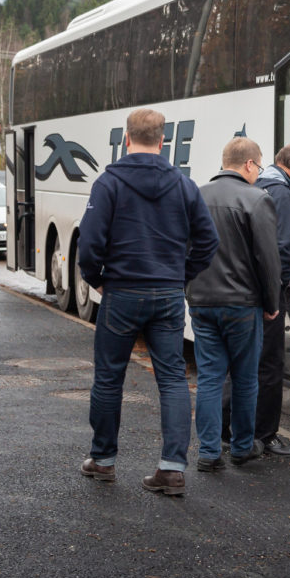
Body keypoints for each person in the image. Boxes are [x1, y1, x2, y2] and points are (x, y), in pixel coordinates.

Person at [77, 108, 219, 497]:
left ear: (126, 139)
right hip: (168, 296)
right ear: (162, 141)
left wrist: (97, 280)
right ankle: (171, 469)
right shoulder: (184, 185)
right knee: (173, 378)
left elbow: (88, 244)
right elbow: (208, 241)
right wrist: (181, 275)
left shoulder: (109, 183)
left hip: (121, 293)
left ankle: (103, 460)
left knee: (109, 377)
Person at [186, 137, 283, 471]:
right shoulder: (258, 199)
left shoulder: (196, 195)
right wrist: (272, 302)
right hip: (243, 304)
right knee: (244, 378)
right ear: (249, 165)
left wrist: (190, 289)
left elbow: (183, 247)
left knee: (210, 377)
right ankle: (242, 447)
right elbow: (268, 259)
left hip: (202, 302)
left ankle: (209, 453)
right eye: (258, 166)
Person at [249, 141, 290, 457]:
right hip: (270, 290)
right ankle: (266, 434)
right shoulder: (282, 194)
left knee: (240, 363)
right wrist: (284, 294)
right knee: (271, 363)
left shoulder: (255, 186)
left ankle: (229, 431)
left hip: (245, 289)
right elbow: (285, 248)